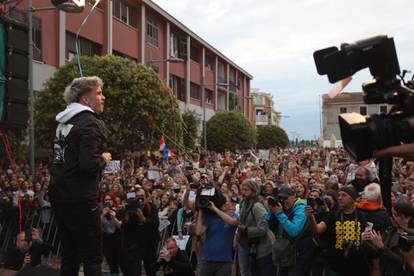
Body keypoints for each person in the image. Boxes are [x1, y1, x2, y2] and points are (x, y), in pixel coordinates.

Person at [49, 76, 112, 276]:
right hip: (81, 199)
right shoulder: (90, 123)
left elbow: (60, 159)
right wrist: (103, 158)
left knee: (70, 256)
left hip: (60, 196)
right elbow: (88, 164)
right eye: (99, 93)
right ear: (85, 99)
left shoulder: (62, 123)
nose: (103, 97)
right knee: (92, 258)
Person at [306, 186, 370, 276]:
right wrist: (310, 217)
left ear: (352, 198)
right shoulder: (333, 215)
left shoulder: (362, 216)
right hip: (335, 266)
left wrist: (361, 239)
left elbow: (368, 240)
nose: (340, 198)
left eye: (344, 195)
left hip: (356, 265)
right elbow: (317, 229)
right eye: (339, 195)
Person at [269, 184, 313, 276]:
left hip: (299, 254)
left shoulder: (301, 207)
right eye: (281, 199)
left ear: (293, 197)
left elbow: (294, 231)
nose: (284, 201)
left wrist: (279, 213)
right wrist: (271, 212)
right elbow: (269, 227)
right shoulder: (282, 208)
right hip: (286, 253)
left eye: (286, 198)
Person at [195, 188, 238, 276]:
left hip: (224, 260)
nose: (224, 203)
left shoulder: (233, 215)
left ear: (231, 203)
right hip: (207, 259)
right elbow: (198, 232)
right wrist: (200, 211)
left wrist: (215, 209)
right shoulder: (209, 216)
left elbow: (233, 222)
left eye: (226, 201)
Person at [119, 188, 160, 276]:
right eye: (137, 197)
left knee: (151, 270)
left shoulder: (151, 207)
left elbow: (155, 224)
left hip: (149, 244)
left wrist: (143, 218)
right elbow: (123, 229)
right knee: (134, 271)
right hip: (135, 245)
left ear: (147, 198)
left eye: (142, 197)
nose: (140, 199)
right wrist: (127, 218)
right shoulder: (129, 207)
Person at [238, 179, 275, 276]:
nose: (243, 193)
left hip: (265, 248)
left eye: (246, 190)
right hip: (253, 247)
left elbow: (264, 228)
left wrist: (246, 230)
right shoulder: (244, 204)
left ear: (254, 192)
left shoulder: (257, 206)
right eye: (242, 190)